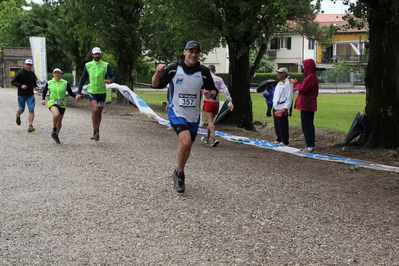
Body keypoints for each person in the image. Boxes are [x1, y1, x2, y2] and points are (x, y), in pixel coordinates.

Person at [151, 40, 218, 193]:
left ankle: (177, 170)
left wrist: (210, 93)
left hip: (193, 115)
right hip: (176, 111)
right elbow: (155, 85)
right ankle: (180, 175)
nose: (193, 55)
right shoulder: (174, 68)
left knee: (187, 147)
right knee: (186, 142)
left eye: (196, 52)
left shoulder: (203, 71)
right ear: (185, 52)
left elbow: (213, 91)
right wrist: (157, 73)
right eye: (191, 51)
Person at [75, 47, 117, 141]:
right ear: (92, 55)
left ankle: (97, 130)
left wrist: (110, 81)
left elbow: (114, 76)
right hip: (92, 91)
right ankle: (94, 130)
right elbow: (82, 79)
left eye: (99, 54)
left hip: (102, 92)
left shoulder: (105, 65)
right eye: (95, 54)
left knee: (99, 111)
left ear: (100, 55)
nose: (97, 55)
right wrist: (78, 93)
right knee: (95, 109)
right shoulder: (88, 65)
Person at [290, 59, 319, 154]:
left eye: (304, 65)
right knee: (308, 125)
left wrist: (295, 83)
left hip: (307, 104)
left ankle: (310, 146)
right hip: (306, 104)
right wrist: (298, 82)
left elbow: (302, 89)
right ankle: (310, 145)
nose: (302, 67)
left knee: (307, 126)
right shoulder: (310, 77)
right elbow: (303, 86)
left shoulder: (311, 77)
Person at [200, 64, 233, 147]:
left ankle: (214, 138)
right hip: (216, 103)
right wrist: (229, 101)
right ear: (214, 71)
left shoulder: (205, 78)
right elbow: (225, 90)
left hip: (208, 101)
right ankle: (207, 137)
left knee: (209, 121)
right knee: (211, 121)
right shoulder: (219, 79)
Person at [41, 68, 76, 144]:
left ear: (61, 74)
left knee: (59, 121)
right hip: (52, 102)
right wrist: (43, 99)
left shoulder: (65, 83)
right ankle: (54, 128)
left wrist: (76, 96)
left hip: (62, 103)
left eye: (58, 73)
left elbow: (70, 92)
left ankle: (56, 135)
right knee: (56, 114)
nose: (57, 74)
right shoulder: (49, 83)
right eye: (55, 73)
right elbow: (44, 91)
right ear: (53, 74)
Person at [11, 59, 39, 132]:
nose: (28, 66)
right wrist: (21, 85)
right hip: (21, 94)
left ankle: (30, 125)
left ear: (31, 66)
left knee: (31, 109)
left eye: (30, 65)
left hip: (30, 95)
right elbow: (13, 82)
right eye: (27, 64)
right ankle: (18, 116)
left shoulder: (32, 73)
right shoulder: (20, 73)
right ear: (24, 65)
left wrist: (36, 86)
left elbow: (34, 82)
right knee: (21, 109)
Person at [272, 68, 294, 146]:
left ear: (284, 74)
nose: (278, 74)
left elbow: (289, 96)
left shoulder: (288, 83)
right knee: (277, 124)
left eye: (280, 73)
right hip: (276, 106)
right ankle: (279, 138)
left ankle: (284, 140)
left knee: (283, 125)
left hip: (282, 106)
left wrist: (285, 108)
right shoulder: (279, 83)